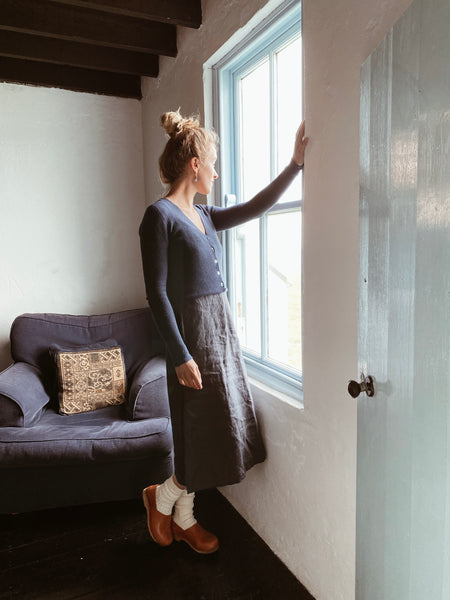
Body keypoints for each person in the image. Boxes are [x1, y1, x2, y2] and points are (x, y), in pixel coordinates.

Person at [140, 111, 308, 554]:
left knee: (213, 429)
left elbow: (255, 207)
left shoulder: (205, 215)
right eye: (213, 162)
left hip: (220, 335)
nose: (217, 171)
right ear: (194, 163)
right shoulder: (158, 217)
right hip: (192, 340)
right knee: (199, 430)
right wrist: (180, 356)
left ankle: (183, 516)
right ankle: (163, 498)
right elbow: (156, 294)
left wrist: (295, 165)